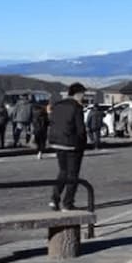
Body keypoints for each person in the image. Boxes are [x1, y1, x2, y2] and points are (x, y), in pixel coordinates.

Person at [48, 83, 88, 211]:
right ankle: (67, 203)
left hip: (57, 142)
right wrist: (83, 144)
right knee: (73, 175)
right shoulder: (76, 107)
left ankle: (54, 199)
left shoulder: (57, 105)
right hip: (71, 144)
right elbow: (81, 129)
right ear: (78, 94)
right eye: (83, 95)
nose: (83, 98)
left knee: (62, 171)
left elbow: (52, 122)